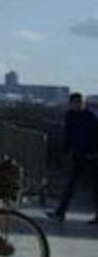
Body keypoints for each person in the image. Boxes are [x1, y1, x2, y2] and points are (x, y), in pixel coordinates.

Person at [47, 93, 98, 223]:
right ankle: (60, 212)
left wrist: (93, 152)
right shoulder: (70, 116)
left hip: (92, 156)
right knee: (70, 185)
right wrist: (66, 151)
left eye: (81, 102)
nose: (79, 105)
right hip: (78, 155)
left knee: (95, 187)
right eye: (77, 103)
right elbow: (68, 134)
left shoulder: (91, 117)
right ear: (71, 103)